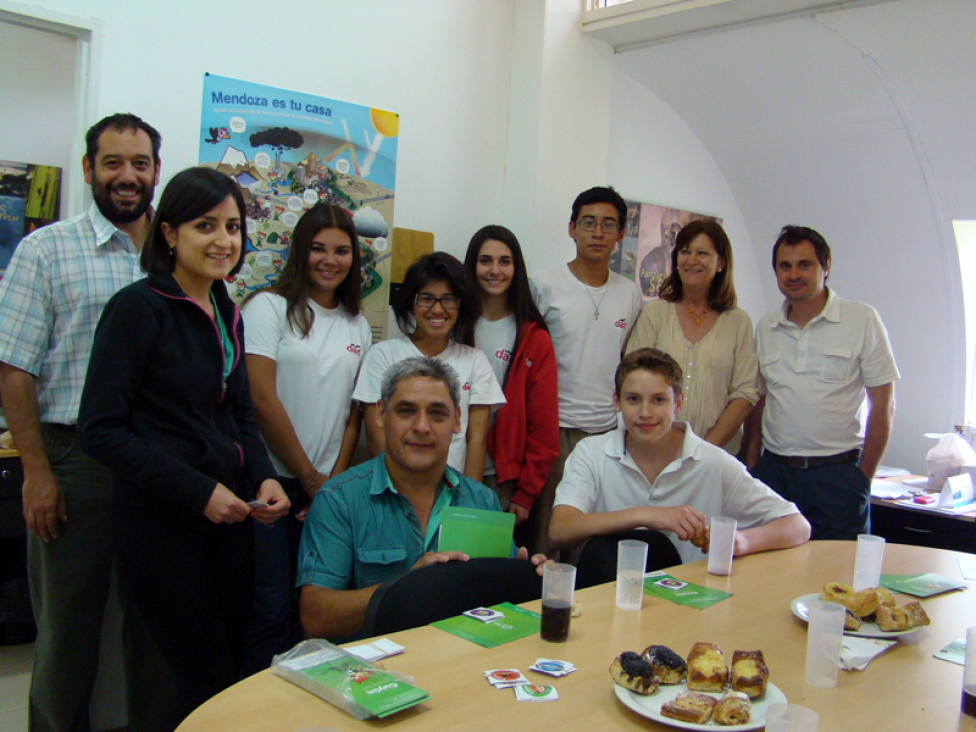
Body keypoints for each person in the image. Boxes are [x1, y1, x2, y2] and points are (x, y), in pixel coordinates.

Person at [78, 167, 290, 730]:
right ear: (169, 234)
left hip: (229, 524)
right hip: (162, 525)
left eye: (233, 226)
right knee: (196, 678)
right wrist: (199, 492)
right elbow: (100, 429)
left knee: (228, 670)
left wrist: (263, 475)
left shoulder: (229, 311)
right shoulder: (138, 308)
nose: (224, 240)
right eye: (205, 225)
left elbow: (239, 414)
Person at [0, 113, 161, 731]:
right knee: (69, 632)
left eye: (140, 163)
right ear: (90, 168)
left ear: (154, 172)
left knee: (149, 626)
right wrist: (36, 471)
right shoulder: (46, 249)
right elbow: (14, 367)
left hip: (158, 462)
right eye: (114, 163)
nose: (128, 176)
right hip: (76, 462)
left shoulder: (172, 254)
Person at [299, 356, 547, 640]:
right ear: (380, 414)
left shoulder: (482, 501)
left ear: (457, 420)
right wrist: (408, 587)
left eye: (437, 414)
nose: (421, 427)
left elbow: (500, 614)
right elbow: (316, 618)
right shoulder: (338, 499)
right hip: (369, 673)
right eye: (406, 411)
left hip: (458, 664)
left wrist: (529, 580)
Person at [241, 203, 371, 672]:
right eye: (318, 248)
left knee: (314, 615)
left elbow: (354, 415)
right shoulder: (269, 307)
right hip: (271, 484)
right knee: (269, 611)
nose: (329, 260)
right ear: (300, 251)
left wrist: (329, 488)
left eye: (341, 251)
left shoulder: (358, 324)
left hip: (326, 493)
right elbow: (260, 396)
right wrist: (308, 477)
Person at [548, 348, 810, 563]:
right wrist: (646, 515)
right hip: (606, 595)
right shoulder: (591, 453)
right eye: (633, 399)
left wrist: (740, 541)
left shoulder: (712, 462)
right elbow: (559, 531)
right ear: (616, 402)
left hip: (685, 604)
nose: (646, 413)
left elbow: (798, 525)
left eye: (659, 400)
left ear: (678, 403)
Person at [743, 225, 899, 540]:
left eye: (804, 264)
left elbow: (883, 405)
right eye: (784, 266)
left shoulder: (861, 319)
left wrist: (862, 478)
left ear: (826, 267)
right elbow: (760, 399)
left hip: (837, 476)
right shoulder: (766, 327)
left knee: (837, 578)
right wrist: (751, 459)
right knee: (771, 573)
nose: (793, 274)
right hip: (776, 473)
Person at [530, 185, 644, 555]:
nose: (598, 232)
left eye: (608, 225)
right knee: (547, 535)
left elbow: (626, 359)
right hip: (554, 431)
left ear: (620, 235)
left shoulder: (630, 293)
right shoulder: (544, 285)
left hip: (607, 434)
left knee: (593, 537)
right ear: (571, 228)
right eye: (588, 223)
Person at [352, 252, 505, 480]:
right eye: (426, 298)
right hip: (395, 491)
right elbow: (377, 436)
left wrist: (466, 505)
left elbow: (476, 441)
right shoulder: (383, 355)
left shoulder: (475, 361)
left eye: (449, 299)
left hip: (453, 493)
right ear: (411, 304)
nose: (437, 309)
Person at [627, 219, 759, 455]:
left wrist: (702, 450)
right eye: (685, 252)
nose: (691, 260)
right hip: (655, 451)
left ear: (721, 263)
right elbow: (632, 380)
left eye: (702, 253)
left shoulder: (738, 322)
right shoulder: (655, 314)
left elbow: (745, 393)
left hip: (716, 456)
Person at [463, 225, 559, 534]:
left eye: (504, 261)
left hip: (503, 480)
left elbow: (543, 425)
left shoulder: (534, 338)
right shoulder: (451, 324)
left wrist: (527, 491)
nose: (494, 270)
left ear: (516, 269)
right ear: (471, 265)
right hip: (449, 469)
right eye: (485, 261)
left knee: (489, 571)